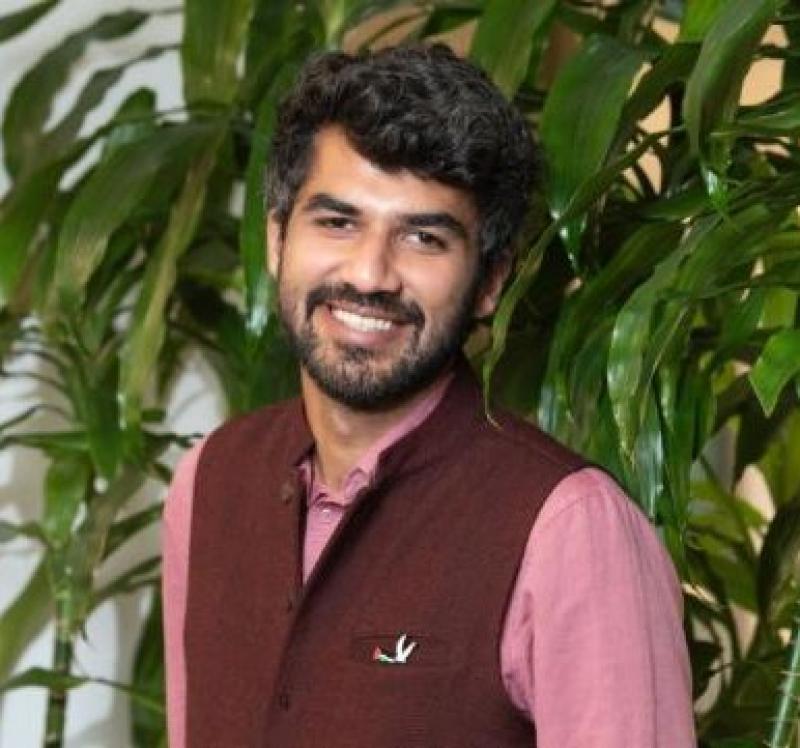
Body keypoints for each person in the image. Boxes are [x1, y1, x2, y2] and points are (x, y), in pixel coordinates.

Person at [162, 44, 695, 747]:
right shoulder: (211, 481)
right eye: (337, 221)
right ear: (276, 239)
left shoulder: (571, 530)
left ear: (491, 282)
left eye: (423, 237)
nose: (371, 274)